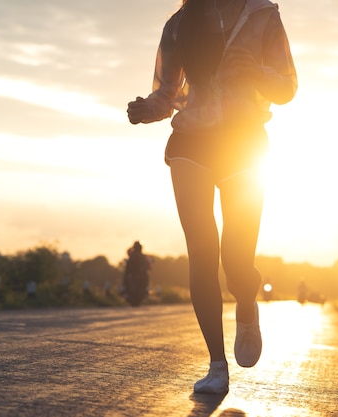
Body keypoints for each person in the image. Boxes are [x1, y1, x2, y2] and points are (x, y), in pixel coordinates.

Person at [127, 0, 297, 394]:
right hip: (191, 143)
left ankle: (247, 302)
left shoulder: (263, 15)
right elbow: (166, 93)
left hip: (245, 143)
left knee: (236, 259)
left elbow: (287, 86)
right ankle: (217, 366)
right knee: (202, 250)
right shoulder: (179, 24)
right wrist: (145, 109)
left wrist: (256, 72)